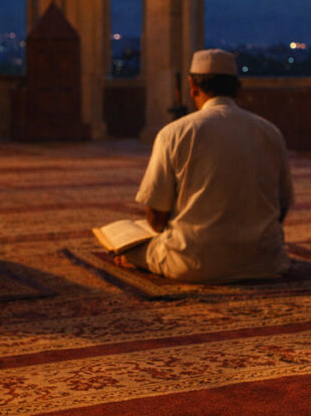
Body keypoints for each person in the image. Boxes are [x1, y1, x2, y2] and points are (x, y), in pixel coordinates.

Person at [119, 48, 294, 282]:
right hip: (264, 261)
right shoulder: (270, 132)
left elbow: (156, 218)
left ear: (192, 85)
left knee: (124, 244)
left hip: (192, 263)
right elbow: (282, 207)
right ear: (237, 87)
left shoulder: (174, 133)